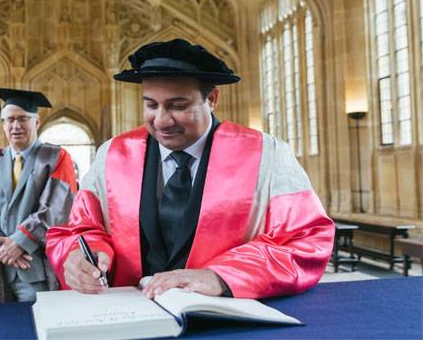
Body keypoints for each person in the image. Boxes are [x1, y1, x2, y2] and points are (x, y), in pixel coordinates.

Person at [46, 39, 334, 300]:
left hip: (226, 316)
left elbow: (305, 239)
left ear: (211, 99)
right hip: (133, 314)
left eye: (178, 106)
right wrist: (82, 256)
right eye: (151, 105)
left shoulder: (267, 155)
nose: (161, 121)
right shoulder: (113, 155)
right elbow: (81, 229)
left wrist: (222, 276)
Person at [0, 88, 77, 303]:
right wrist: (3, 247)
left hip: (36, 270)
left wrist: (20, 241)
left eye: (23, 119)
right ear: (2, 124)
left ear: (36, 122)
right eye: (9, 120)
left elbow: (56, 209)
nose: (15, 126)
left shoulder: (56, 157)